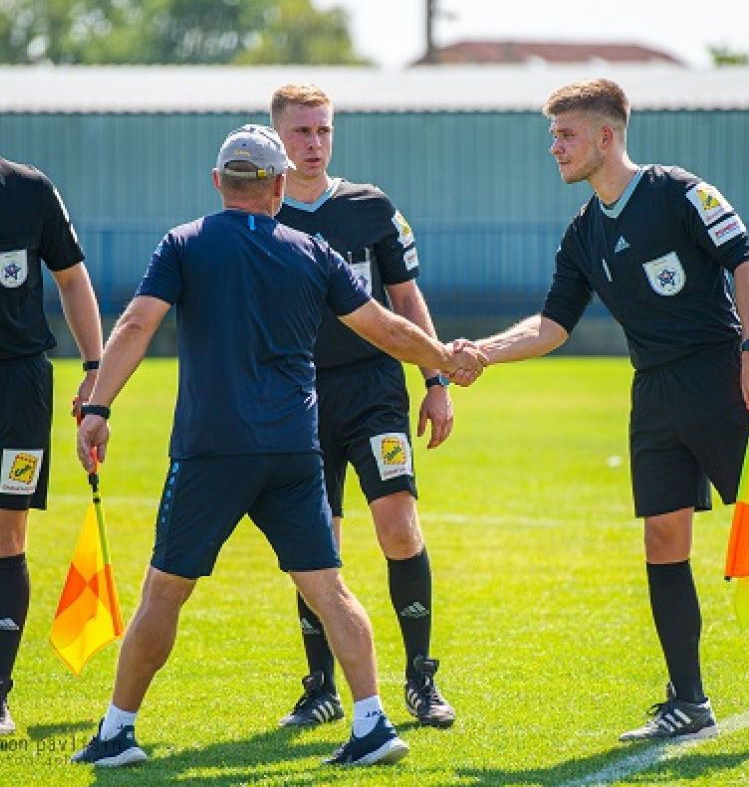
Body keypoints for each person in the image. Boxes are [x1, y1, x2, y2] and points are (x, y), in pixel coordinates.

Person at [70, 125, 483, 769]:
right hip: (294, 450)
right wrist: (444, 360)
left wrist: (98, 407)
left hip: (212, 450)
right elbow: (384, 326)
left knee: (164, 594)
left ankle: (117, 732)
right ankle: (372, 722)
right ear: (280, 185)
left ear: (217, 183)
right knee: (330, 588)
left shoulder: (183, 243)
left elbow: (137, 324)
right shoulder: (313, 251)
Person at [458, 78, 749, 742]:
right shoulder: (583, 232)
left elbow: (746, 264)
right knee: (663, 538)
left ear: (605, 136)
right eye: (553, 136)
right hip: (653, 394)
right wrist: (483, 354)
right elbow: (552, 325)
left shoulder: (678, 192)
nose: (553, 148)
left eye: (565, 135)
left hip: (720, 378)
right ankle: (689, 702)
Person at [267, 83, 457, 731]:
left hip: (375, 391)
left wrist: (435, 379)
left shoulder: (371, 207)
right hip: (297, 399)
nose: (314, 144)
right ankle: (319, 686)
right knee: (318, 542)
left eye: (322, 131)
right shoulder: (262, 215)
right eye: (301, 133)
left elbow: (406, 300)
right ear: (277, 137)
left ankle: (421, 681)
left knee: (398, 527)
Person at [0, 155, 103, 735]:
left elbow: (71, 277)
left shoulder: (30, 189)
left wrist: (95, 370)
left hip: (19, 387)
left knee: (7, 534)